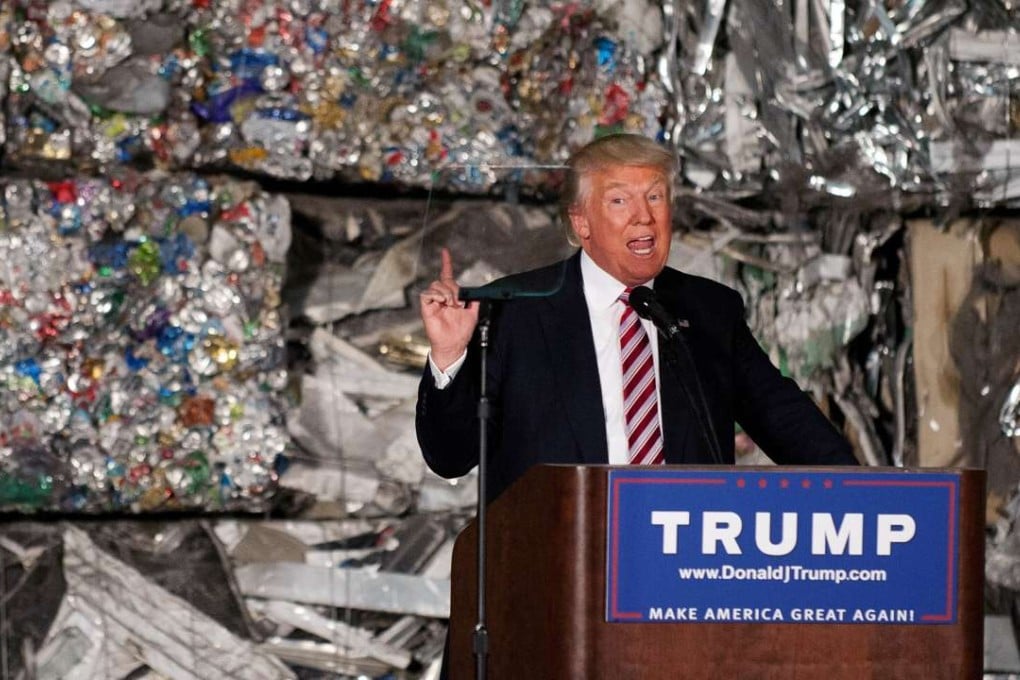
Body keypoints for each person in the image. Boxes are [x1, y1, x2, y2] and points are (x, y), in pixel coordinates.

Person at [416, 133, 857, 505]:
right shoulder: (513, 310)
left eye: (655, 197)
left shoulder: (708, 310)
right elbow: (450, 456)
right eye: (620, 200)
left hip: (683, 562)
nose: (643, 216)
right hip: (558, 564)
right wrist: (451, 356)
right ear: (581, 223)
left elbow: (786, 421)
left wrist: (871, 493)